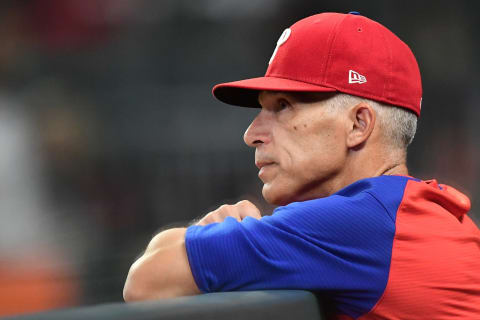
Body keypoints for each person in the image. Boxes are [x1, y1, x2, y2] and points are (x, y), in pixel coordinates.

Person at [123, 12, 480, 319]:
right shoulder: (435, 218)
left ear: (358, 125)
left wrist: (205, 230)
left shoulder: (356, 223)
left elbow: (146, 281)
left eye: (283, 106)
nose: (252, 134)